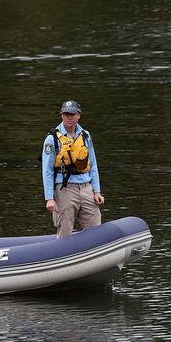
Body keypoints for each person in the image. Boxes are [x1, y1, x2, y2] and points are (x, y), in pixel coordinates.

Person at [41, 100, 105, 239]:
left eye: (72, 114)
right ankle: (61, 256)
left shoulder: (85, 136)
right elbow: (47, 171)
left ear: (78, 115)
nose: (69, 117)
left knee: (96, 228)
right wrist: (49, 198)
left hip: (86, 188)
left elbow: (93, 165)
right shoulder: (52, 139)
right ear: (61, 116)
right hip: (65, 190)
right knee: (65, 230)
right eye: (66, 114)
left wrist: (97, 191)